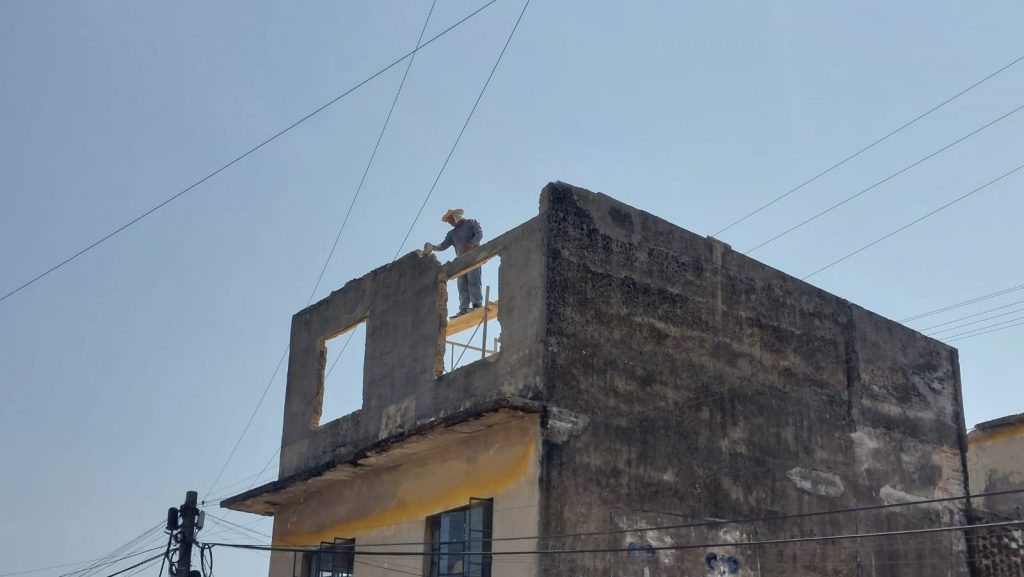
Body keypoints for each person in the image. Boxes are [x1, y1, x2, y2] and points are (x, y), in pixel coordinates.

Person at [428, 209, 483, 316]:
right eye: (449, 222)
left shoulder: (471, 222)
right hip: (460, 261)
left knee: (473, 281)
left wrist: (471, 244)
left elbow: (479, 234)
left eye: (451, 220)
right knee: (462, 285)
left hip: (473, 257)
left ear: (456, 216)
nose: (450, 223)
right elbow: (443, 246)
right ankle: (464, 308)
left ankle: (477, 304)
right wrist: (433, 247)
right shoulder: (452, 233)